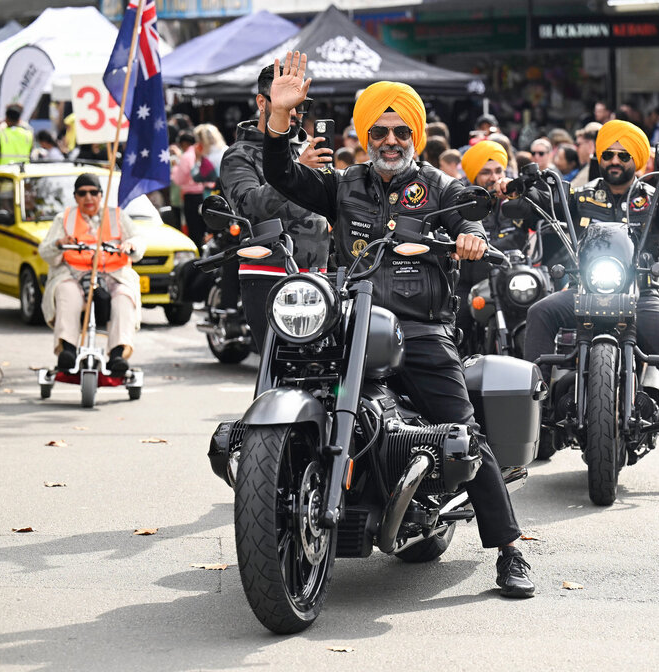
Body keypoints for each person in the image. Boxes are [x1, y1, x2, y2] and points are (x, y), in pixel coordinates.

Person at [261, 52, 534, 599]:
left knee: (464, 430)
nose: (390, 139)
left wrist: (473, 237)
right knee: (299, 378)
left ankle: (509, 548)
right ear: (365, 135)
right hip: (351, 320)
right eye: (379, 130)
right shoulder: (342, 186)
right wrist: (279, 121)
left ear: (415, 133)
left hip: (421, 329)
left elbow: (474, 214)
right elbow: (281, 174)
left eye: (400, 129)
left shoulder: (441, 186)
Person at [502, 119, 659, 494]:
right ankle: (535, 423)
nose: (614, 159)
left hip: (640, 293)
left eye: (623, 154)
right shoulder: (580, 197)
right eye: (607, 153)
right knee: (539, 312)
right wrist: (514, 195)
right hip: (583, 292)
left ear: (636, 159)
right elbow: (535, 208)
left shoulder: (652, 198)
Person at [219, 63, 332, 352]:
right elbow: (248, 208)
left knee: (324, 368)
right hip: (269, 271)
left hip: (319, 274)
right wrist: (296, 170)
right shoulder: (239, 155)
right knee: (279, 362)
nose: (294, 112)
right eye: (286, 102)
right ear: (262, 102)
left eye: (300, 105)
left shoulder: (307, 149)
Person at [37, 174, 145, 375]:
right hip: (75, 274)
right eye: (82, 193)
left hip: (114, 275)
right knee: (66, 292)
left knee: (124, 297)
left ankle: (117, 355)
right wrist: (59, 244)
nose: (88, 198)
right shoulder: (64, 219)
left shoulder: (117, 216)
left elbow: (139, 241)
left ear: (101, 195)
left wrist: (131, 244)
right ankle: (67, 350)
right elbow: (45, 251)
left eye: (93, 193)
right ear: (76, 197)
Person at [454, 140, 529, 347]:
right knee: (456, 326)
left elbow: (542, 214)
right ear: (474, 176)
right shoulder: (461, 201)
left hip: (513, 281)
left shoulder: (517, 198)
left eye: (498, 171)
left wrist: (520, 196)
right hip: (469, 283)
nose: (494, 178)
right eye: (486, 172)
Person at [571, 121, 602, 188]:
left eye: (578, 144)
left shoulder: (591, 170)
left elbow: (569, 192)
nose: (576, 149)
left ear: (591, 145)